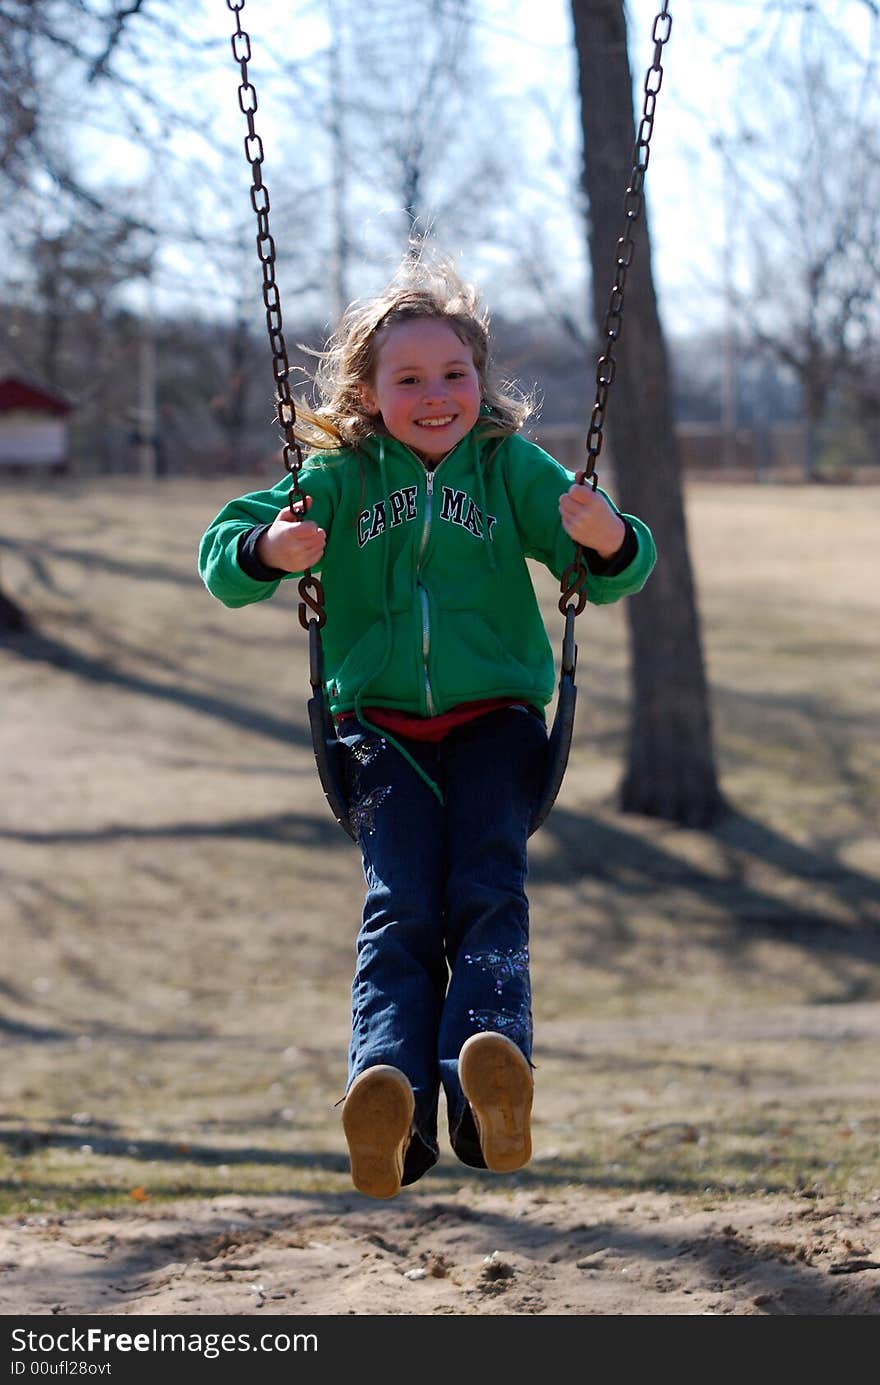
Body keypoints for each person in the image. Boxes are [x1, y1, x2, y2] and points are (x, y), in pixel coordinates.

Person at [198, 249, 656, 1199]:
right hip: (379, 731)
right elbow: (221, 554)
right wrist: (269, 546)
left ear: (480, 382)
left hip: (494, 721)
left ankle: (490, 1075)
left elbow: (612, 560)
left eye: (455, 373)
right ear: (367, 391)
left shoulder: (509, 469)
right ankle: (390, 1095)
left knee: (488, 888)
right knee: (401, 905)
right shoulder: (338, 477)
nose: (437, 393)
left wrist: (606, 538)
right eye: (409, 378)